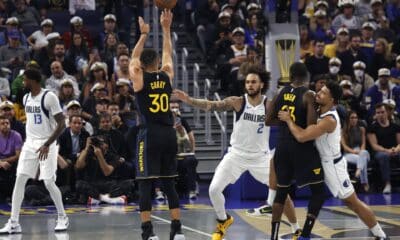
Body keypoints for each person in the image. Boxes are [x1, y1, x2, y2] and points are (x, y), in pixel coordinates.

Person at [173, 68, 300, 240]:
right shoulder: (238, 102)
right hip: (236, 156)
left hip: (260, 157)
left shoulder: (269, 105)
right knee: (214, 190)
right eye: (247, 82)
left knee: (282, 193)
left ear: (261, 84)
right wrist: (188, 99)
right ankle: (223, 220)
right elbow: (212, 105)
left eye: (253, 82)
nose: (250, 85)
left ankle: (296, 229)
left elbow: (289, 116)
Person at [278, 81, 388, 240]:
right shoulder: (319, 108)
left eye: (323, 93)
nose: (318, 93)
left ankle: (381, 235)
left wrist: (289, 120)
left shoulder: (329, 120)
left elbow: (301, 137)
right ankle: (304, 232)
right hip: (320, 161)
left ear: (332, 101)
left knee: (353, 203)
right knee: (317, 194)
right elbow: (306, 95)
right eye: (319, 90)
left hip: (333, 166)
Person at [129, 10, 184, 240]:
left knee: (145, 184)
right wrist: (165, 28)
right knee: (169, 184)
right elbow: (169, 53)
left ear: (142, 65)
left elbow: (132, 61)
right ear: (158, 64)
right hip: (169, 134)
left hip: (149, 133)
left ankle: (148, 234)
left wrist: (143, 35)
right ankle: (177, 230)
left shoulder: (140, 77)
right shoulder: (167, 76)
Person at [0, 69, 68, 234]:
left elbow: (61, 124)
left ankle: (62, 217)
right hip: (30, 144)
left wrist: (47, 143)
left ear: (33, 80)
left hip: (48, 143)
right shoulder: (26, 98)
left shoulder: (49, 97)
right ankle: (14, 222)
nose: (23, 82)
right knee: (20, 179)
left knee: (49, 182)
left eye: (25, 79)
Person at [265, 62, 325, 240]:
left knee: (281, 193)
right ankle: (305, 234)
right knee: (318, 191)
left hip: (281, 147)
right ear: (306, 77)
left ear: (290, 77)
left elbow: (268, 120)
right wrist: (294, 123)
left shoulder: (280, 93)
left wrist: (285, 122)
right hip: (301, 148)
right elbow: (310, 126)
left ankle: (273, 236)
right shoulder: (309, 95)